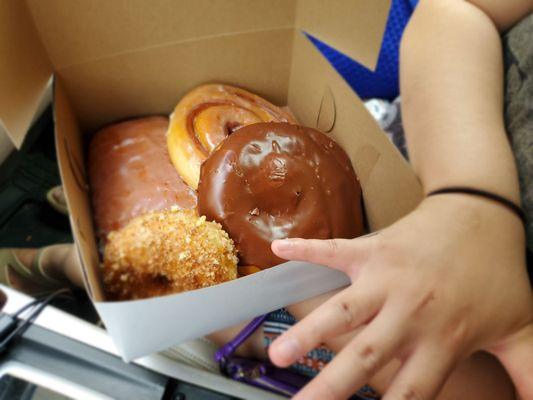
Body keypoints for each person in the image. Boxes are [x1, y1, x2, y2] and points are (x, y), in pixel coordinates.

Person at [263, 1, 533, 399]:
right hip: (429, 123)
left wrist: (307, 283)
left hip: (361, 289)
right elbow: (459, 7)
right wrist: (473, 197)